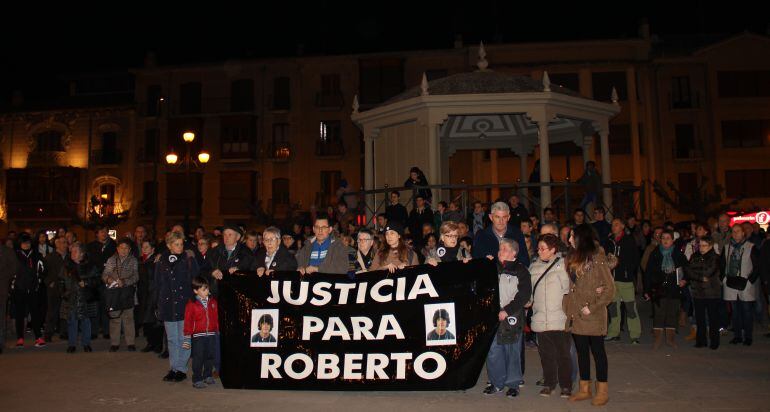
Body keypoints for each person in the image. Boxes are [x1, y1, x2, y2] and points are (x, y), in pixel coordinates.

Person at [563, 224, 615, 406]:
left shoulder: (597, 258)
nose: (569, 239)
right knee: (582, 352)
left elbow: (609, 289)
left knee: (598, 352)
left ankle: (602, 390)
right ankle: (585, 388)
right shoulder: (572, 257)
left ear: (580, 238)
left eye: (571, 236)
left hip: (592, 315)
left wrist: (592, 307)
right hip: (576, 314)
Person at [483, 238, 531, 398]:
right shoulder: (492, 267)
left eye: (504, 249)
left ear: (513, 253)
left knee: (512, 350)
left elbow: (524, 294)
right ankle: (496, 382)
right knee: (493, 350)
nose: (499, 252)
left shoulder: (521, 270)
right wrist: (484, 265)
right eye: (499, 249)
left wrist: (507, 310)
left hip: (512, 316)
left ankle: (513, 384)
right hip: (493, 316)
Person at [528, 234, 572, 398]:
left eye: (543, 248)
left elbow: (570, 291)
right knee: (546, 355)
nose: (539, 251)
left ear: (553, 250)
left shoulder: (564, 266)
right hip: (540, 318)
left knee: (563, 355)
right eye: (538, 248)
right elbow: (530, 292)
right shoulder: (533, 267)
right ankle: (549, 383)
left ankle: (566, 386)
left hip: (559, 318)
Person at [156, 231, 200, 383]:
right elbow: (158, 283)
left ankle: (181, 368)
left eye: (181, 244)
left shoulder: (188, 259)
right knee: (172, 339)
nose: (180, 247)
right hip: (168, 305)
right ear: (169, 245)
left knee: (184, 338)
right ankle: (173, 368)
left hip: (184, 304)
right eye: (176, 244)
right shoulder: (162, 260)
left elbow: (196, 280)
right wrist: (159, 304)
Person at [644, 230, 688, 349]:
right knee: (659, 314)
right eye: (663, 238)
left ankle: (670, 339)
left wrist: (685, 280)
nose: (665, 240)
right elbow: (648, 272)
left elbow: (687, 270)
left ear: (673, 240)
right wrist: (647, 290)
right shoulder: (655, 253)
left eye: (668, 238)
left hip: (674, 289)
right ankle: (657, 340)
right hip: (659, 289)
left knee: (672, 314)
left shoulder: (678, 255)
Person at [721, 224, 759, 346]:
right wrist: (723, 278)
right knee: (735, 312)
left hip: (745, 283)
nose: (735, 233)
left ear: (743, 233)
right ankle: (737, 336)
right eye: (733, 231)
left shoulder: (751, 247)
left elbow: (757, 266)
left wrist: (750, 280)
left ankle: (748, 336)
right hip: (731, 283)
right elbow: (721, 265)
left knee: (747, 311)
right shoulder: (727, 247)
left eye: (738, 231)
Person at [605, 218, 641, 344]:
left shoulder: (629, 241)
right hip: (611, 280)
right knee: (613, 308)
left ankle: (635, 335)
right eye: (612, 224)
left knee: (630, 308)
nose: (613, 227)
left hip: (625, 280)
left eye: (616, 224)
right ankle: (614, 332)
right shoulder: (609, 241)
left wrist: (622, 266)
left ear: (622, 226)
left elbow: (636, 260)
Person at [684, 236, 722, 349]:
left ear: (710, 246)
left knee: (712, 318)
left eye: (704, 245)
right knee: (699, 318)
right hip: (697, 291)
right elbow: (688, 270)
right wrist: (699, 277)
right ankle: (701, 341)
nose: (701, 248)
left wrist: (696, 274)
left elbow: (708, 272)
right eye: (700, 245)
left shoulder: (715, 257)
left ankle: (714, 341)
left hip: (711, 292)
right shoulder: (694, 255)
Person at [102, 238, 139, 352]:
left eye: (126, 248)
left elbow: (136, 277)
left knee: (128, 318)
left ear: (129, 250)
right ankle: (114, 343)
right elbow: (104, 274)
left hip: (128, 293)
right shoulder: (111, 260)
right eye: (121, 248)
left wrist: (125, 282)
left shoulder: (133, 260)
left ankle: (130, 342)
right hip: (114, 293)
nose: (124, 250)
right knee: (115, 318)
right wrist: (108, 279)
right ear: (117, 249)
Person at [183, 276, 219, 389]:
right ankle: (197, 378)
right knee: (198, 357)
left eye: (207, 288)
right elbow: (188, 321)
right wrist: (187, 336)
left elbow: (216, 317)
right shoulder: (191, 304)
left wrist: (217, 331)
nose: (207, 291)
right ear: (195, 291)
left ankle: (207, 375)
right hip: (198, 336)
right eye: (203, 289)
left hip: (212, 334)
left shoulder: (213, 302)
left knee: (210, 356)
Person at [61, 243, 98, 353]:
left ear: (82, 253)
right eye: (71, 251)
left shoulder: (90, 266)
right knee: (72, 321)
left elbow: (97, 280)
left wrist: (86, 283)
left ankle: (86, 343)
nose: (72, 253)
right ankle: (72, 344)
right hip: (71, 298)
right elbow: (61, 281)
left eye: (75, 251)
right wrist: (64, 293)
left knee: (86, 321)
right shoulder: (66, 266)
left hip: (85, 298)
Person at [12, 233, 47, 348]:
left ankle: (38, 337)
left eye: (28, 242)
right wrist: (13, 286)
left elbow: (42, 270)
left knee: (35, 313)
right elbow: (11, 272)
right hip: (19, 289)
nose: (26, 245)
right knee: (20, 315)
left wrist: (38, 283)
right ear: (19, 243)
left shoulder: (36, 255)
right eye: (24, 242)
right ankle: (20, 338)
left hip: (33, 289)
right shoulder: (15, 255)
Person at [472, 202, 530, 268]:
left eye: (504, 217)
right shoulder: (481, 236)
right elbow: (476, 262)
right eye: (497, 217)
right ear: (491, 217)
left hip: (513, 275)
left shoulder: (517, 234)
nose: (501, 221)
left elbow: (525, 262)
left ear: (508, 217)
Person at [86, 226, 116, 339]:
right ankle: (94, 331)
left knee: (106, 305)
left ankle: (106, 330)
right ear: (97, 233)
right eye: (101, 231)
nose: (104, 233)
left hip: (108, 279)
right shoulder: (90, 246)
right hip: (94, 279)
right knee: (94, 306)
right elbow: (88, 262)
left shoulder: (113, 245)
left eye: (105, 231)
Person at [208, 225, 256, 295]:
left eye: (230, 234)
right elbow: (204, 269)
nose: (226, 237)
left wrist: (239, 271)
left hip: (237, 294)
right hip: (216, 293)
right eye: (225, 234)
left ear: (238, 237)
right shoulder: (214, 252)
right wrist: (212, 272)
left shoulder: (246, 253)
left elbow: (252, 272)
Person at [137, 240, 163, 353]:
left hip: (152, 293)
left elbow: (155, 279)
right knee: (147, 321)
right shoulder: (142, 260)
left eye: (147, 247)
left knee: (154, 320)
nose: (144, 249)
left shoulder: (155, 260)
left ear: (153, 249)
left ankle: (157, 344)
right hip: (144, 294)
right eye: (143, 247)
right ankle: (150, 343)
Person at [43, 237, 68, 342]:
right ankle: (48, 333)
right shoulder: (50, 257)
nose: (65, 245)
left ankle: (64, 332)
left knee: (65, 311)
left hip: (66, 288)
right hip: (54, 288)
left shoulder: (69, 257)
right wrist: (49, 282)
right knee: (52, 311)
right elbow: (43, 272)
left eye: (66, 242)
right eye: (62, 242)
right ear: (56, 245)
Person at [0, 241, 18, 354]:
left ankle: (0, 343)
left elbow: (15, 268)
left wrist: (5, 278)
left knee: (0, 317)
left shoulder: (7, 251)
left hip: (1, 288)